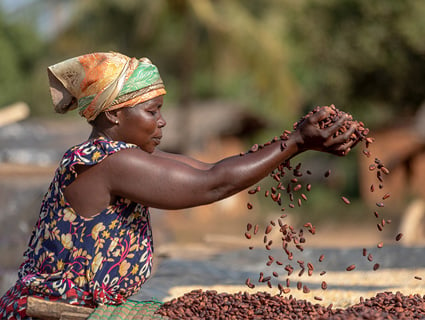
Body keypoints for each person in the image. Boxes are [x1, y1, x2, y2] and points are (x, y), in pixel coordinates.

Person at [0, 52, 360, 319]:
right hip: (54, 312)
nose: (162, 122)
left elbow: (210, 169)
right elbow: (210, 186)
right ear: (113, 114)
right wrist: (295, 142)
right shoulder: (110, 161)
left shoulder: (121, 155)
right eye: (152, 111)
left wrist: (293, 143)